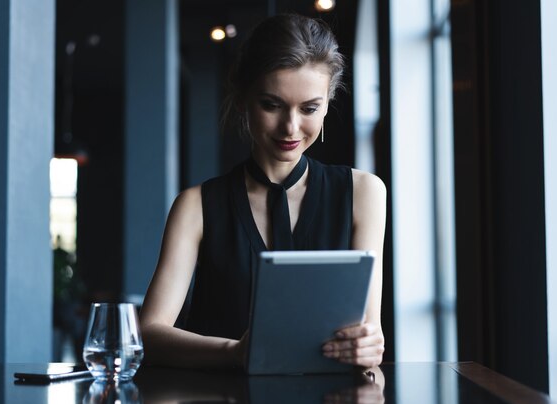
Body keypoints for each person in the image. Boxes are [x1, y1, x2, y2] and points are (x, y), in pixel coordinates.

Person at [139, 13, 386, 370]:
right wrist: (234, 353)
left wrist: (368, 345)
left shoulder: (364, 192)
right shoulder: (196, 206)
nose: (290, 127)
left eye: (310, 108)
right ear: (243, 99)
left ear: (328, 103)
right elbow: (149, 332)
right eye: (271, 105)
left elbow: (367, 327)